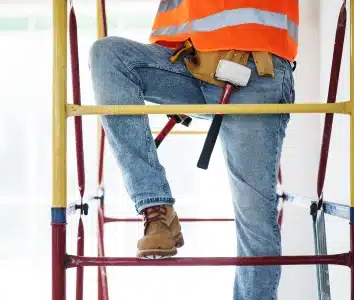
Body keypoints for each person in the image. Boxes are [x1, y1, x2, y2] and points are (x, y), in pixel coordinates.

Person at [89, 1, 298, 299]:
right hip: (190, 62)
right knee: (109, 54)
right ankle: (156, 209)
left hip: (256, 72)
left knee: (255, 219)